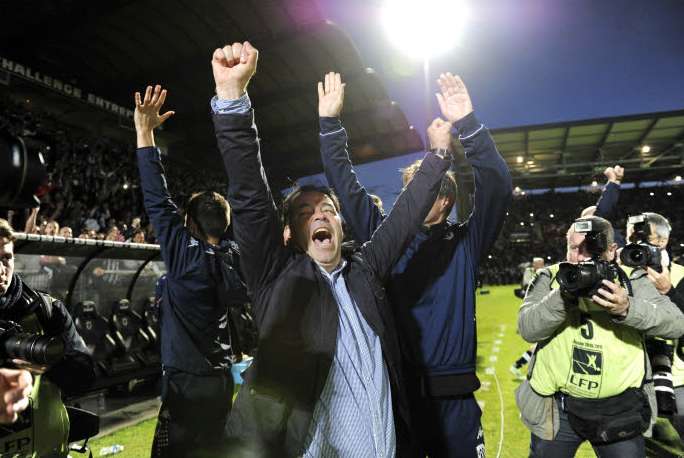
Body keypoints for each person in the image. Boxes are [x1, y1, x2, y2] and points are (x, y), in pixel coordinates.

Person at [210, 40, 452, 457]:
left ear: (342, 224)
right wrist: (233, 101)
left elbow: (405, 216)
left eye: (328, 209)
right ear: (289, 233)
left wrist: (439, 156)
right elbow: (249, 195)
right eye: (306, 213)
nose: (319, 215)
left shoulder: (366, 270)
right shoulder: (276, 278)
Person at [317, 70, 512, 456]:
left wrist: (469, 125)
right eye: (410, 189)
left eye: (420, 189)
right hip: (398, 400)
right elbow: (344, 184)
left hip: (454, 402)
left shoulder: (465, 243)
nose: (410, 197)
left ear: (444, 200)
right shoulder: (383, 237)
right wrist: (329, 124)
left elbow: (499, 186)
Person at [133, 84, 249, 458]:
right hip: (219, 380)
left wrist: (144, 132)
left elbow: (156, 197)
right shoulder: (235, 255)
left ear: (191, 225)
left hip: (184, 383)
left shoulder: (185, 254)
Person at [516, 215, 684, 457]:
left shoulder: (631, 278)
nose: (582, 257)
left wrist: (628, 308)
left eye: (592, 248)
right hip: (557, 407)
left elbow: (676, 323)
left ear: (612, 250)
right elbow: (528, 328)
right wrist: (563, 295)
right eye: (574, 248)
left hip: (619, 410)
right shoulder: (550, 277)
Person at [0, 218, 95, 456]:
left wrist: (50, 362)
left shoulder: (46, 310)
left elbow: (85, 377)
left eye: (5, 258)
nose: (1, 269)